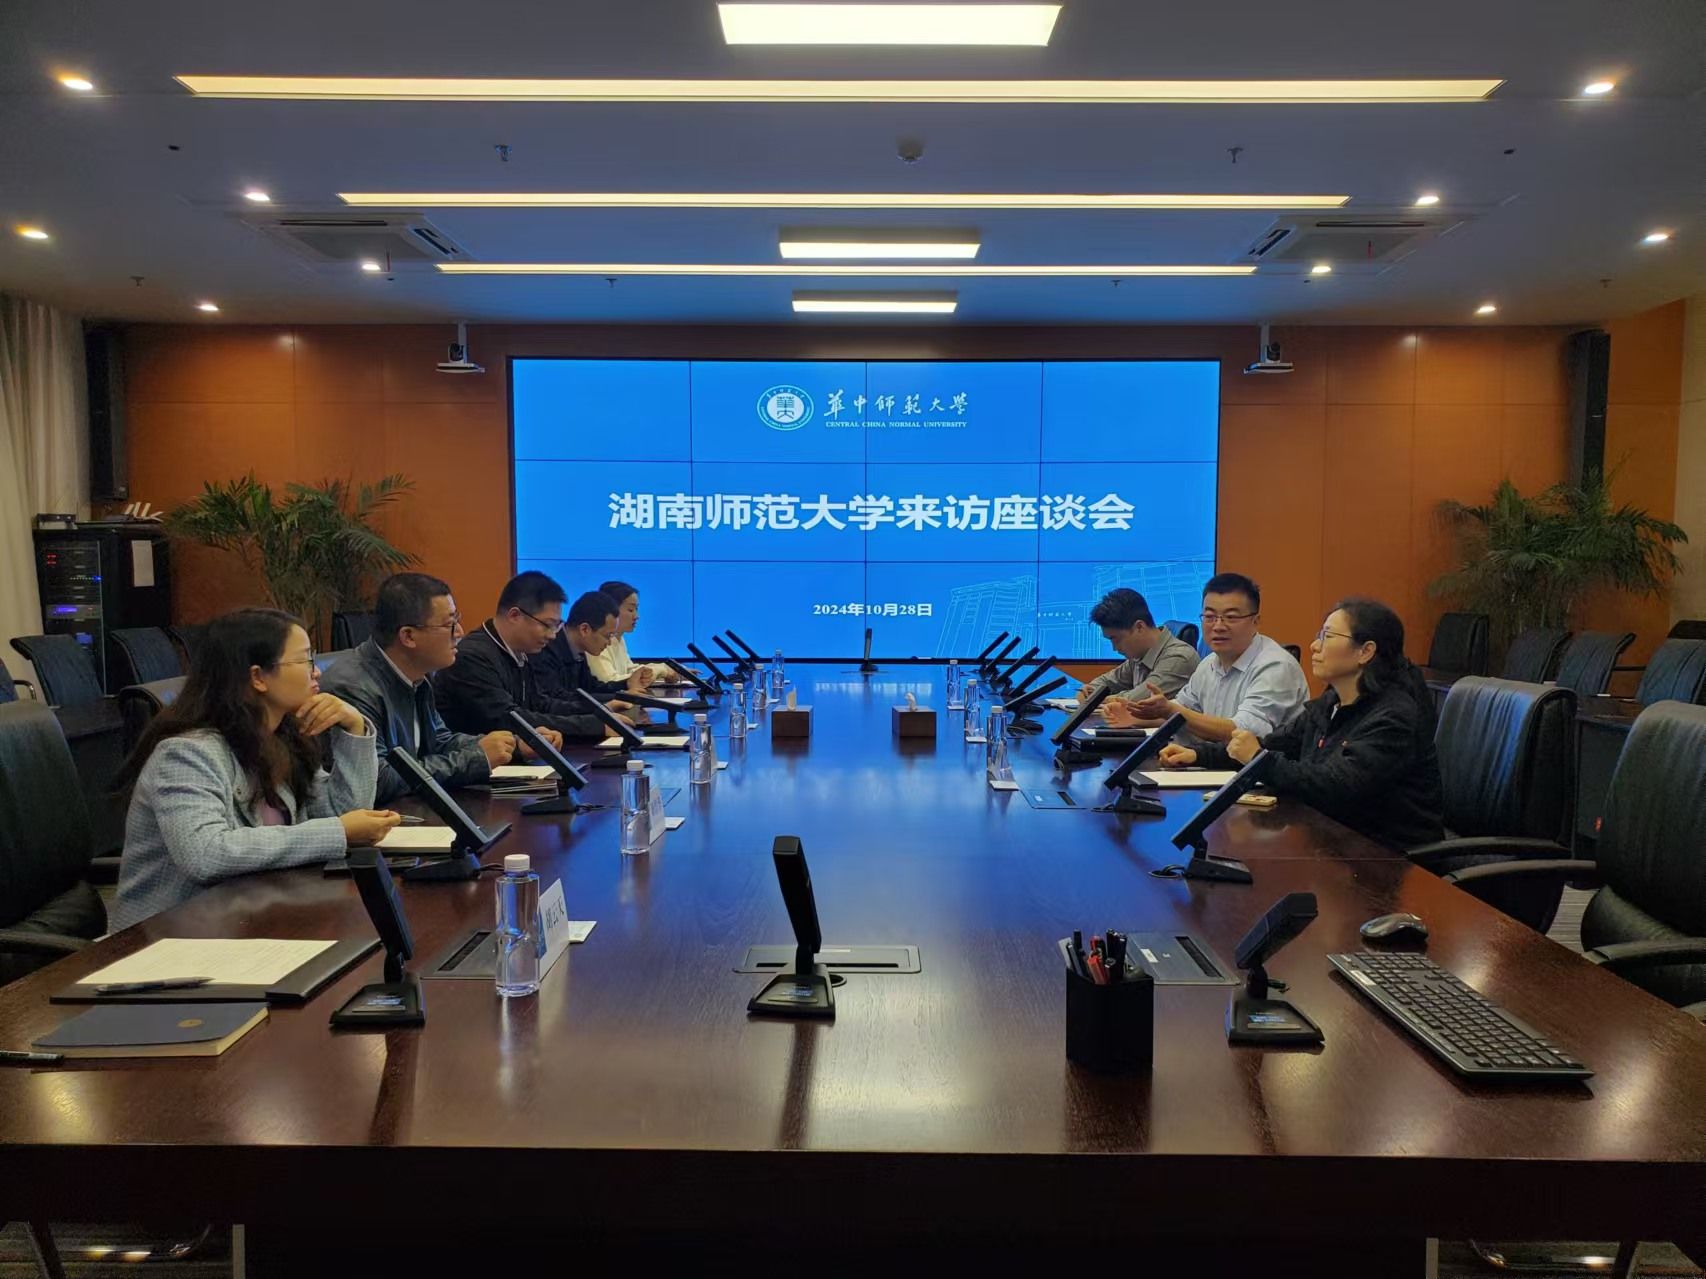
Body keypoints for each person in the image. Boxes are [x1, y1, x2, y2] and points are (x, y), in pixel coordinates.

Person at [109, 608, 398, 929]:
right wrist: (338, 832)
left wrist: (355, 728)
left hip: (254, 915)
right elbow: (206, 855)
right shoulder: (187, 754)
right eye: (305, 660)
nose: (316, 672)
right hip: (169, 934)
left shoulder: (281, 739)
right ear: (258, 677)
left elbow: (344, 815)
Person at [1158, 597, 1444, 850]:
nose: (1314, 645)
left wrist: (1257, 758)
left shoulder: (1394, 717)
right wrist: (1198, 755)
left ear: (1365, 651)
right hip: (1332, 841)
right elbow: (1273, 745)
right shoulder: (1331, 702)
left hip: (1387, 857)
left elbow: (1336, 787)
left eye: (1328, 636)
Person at [320, 572, 517, 803]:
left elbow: (439, 741)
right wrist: (475, 759)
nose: (460, 632)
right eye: (449, 624)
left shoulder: (416, 675)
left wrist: (513, 744)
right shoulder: (352, 687)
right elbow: (379, 778)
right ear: (408, 636)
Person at [1104, 572, 1307, 740]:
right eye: (1209, 617)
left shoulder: (1275, 667)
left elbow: (1243, 733)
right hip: (1213, 763)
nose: (1218, 626)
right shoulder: (1209, 663)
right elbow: (1182, 711)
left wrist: (1170, 710)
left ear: (1256, 622)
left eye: (1231, 617)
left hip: (1258, 775)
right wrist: (1134, 718)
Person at [436, 570, 622, 744]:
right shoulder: (473, 657)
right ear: (515, 615)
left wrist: (600, 711)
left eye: (556, 626)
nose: (553, 635)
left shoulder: (520, 651)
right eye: (547, 625)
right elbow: (508, 719)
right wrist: (592, 725)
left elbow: (540, 704)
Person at [532, 590, 652, 723]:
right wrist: (612, 701)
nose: (609, 643)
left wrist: (626, 684)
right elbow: (558, 698)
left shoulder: (578, 648)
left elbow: (591, 687)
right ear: (585, 629)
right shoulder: (545, 650)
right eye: (607, 636)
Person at [1076, 588, 1200, 705]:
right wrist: (1088, 691)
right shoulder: (1140, 654)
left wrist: (1098, 699)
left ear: (1139, 627)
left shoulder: (1179, 657)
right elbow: (1107, 681)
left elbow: (1137, 700)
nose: (1114, 648)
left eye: (1116, 639)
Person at [587, 579, 668, 685]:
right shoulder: (596, 639)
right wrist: (661, 670)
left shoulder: (618, 638)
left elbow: (629, 670)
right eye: (630, 610)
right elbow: (610, 681)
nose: (636, 616)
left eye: (636, 609)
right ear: (611, 609)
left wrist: (663, 668)